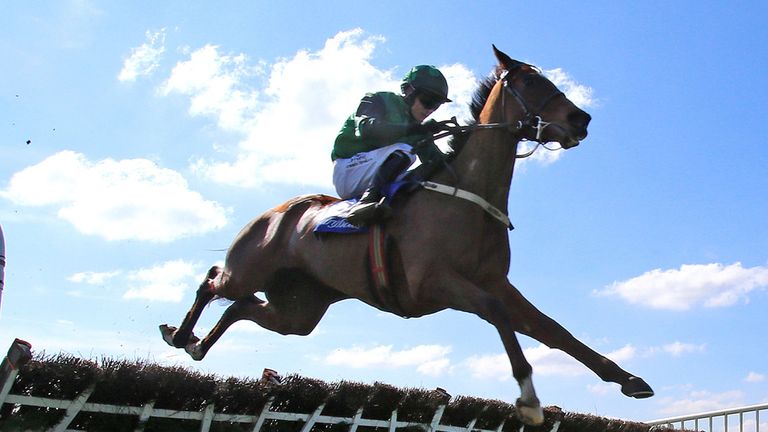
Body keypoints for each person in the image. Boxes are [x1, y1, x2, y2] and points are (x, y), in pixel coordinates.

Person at [332, 65, 451, 226]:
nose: (430, 109)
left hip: (377, 173)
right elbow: (368, 129)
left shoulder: (419, 129)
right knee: (406, 151)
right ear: (409, 91)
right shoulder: (378, 99)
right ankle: (367, 201)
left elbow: (440, 162)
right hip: (349, 171)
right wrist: (419, 128)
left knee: (429, 172)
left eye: (436, 105)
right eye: (427, 101)